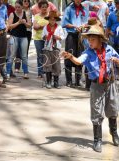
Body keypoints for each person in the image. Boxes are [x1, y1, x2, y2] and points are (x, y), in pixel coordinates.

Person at [62, 20, 119, 152]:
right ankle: (97, 139)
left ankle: (114, 133)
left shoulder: (110, 49)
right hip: (96, 86)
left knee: (112, 109)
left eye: (92, 39)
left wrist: (117, 61)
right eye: (88, 39)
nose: (90, 42)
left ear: (100, 40)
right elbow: (78, 61)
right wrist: (70, 56)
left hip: (110, 84)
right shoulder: (88, 52)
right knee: (96, 112)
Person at [62, 0, 89, 87]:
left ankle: (78, 80)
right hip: (71, 35)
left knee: (80, 57)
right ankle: (69, 80)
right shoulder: (69, 9)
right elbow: (64, 23)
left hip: (80, 36)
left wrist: (84, 26)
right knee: (68, 56)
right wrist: (74, 26)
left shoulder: (84, 9)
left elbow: (86, 22)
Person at [6, 0, 31, 79]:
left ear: (22, 7)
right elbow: (9, 26)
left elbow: (29, 25)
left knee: (24, 56)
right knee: (12, 55)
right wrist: (18, 22)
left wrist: (24, 23)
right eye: (16, 7)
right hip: (14, 37)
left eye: (19, 7)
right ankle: (8, 72)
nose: (17, 8)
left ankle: (25, 72)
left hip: (24, 37)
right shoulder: (12, 14)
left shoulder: (25, 14)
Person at [42, 11, 65, 89]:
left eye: (54, 19)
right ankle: (48, 81)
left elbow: (62, 36)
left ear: (55, 20)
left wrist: (57, 37)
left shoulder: (59, 27)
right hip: (47, 48)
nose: (52, 21)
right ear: (48, 20)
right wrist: (45, 37)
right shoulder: (45, 27)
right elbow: (42, 36)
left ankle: (56, 82)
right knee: (48, 64)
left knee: (56, 65)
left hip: (56, 48)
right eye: (51, 19)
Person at [15, 0, 32, 73]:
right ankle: (17, 67)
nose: (26, 2)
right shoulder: (18, 9)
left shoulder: (31, 11)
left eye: (27, 1)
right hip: (19, 31)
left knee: (25, 50)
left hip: (28, 31)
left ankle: (25, 68)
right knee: (18, 49)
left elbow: (31, 23)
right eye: (24, 1)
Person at [33, 0, 49, 78]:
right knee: (40, 55)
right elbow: (35, 27)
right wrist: (44, 26)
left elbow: (51, 26)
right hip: (38, 38)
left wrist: (40, 25)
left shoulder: (49, 16)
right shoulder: (36, 16)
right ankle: (40, 72)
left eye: (45, 7)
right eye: (42, 7)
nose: (44, 8)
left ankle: (46, 71)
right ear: (40, 8)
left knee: (47, 55)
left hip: (48, 38)